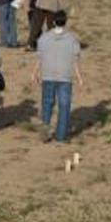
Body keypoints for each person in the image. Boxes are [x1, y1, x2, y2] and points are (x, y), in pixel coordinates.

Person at [32, 10, 83, 143]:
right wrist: (79, 77)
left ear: (53, 22)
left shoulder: (43, 38)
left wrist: (35, 72)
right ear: (65, 22)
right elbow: (75, 60)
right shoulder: (72, 39)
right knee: (64, 106)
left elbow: (40, 58)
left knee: (47, 104)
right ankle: (61, 136)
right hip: (65, 77)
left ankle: (45, 130)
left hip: (48, 76)